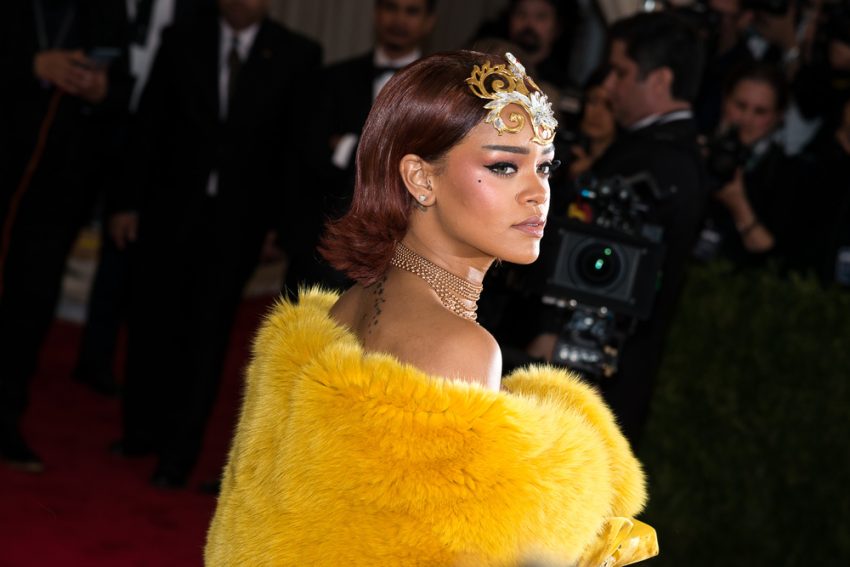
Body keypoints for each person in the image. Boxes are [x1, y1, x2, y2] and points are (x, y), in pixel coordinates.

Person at [205, 50, 658, 566]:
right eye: (504, 166)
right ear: (421, 179)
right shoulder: (461, 348)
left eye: (545, 166)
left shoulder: (350, 304)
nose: (538, 193)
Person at [110, 0, 322, 489]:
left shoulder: (296, 54)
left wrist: (282, 227)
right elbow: (150, 124)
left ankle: (178, 453)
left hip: (238, 224)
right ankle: (140, 431)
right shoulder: (184, 39)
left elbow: (295, 151)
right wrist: (126, 202)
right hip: (169, 212)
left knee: (206, 336)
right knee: (152, 322)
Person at [527, 11, 709, 446]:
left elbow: (611, 276)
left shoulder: (658, 165)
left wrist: (555, 335)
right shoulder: (661, 154)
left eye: (621, 72)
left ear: (660, 80)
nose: (607, 87)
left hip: (592, 375)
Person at [0, 0, 130, 472]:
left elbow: (123, 91)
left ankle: (6, 417)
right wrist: (34, 65)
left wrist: (101, 91)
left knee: (31, 305)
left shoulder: (108, 9)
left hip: (61, 185)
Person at [292, 0, 439, 297]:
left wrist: (347, 145)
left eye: (412, 11)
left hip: (404, 253)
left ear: (429, 21)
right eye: (391, 8)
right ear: (376, 13)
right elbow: (309, 157)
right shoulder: (333, 79)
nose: (399, 20)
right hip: (324, 245)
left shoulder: (438, 90)